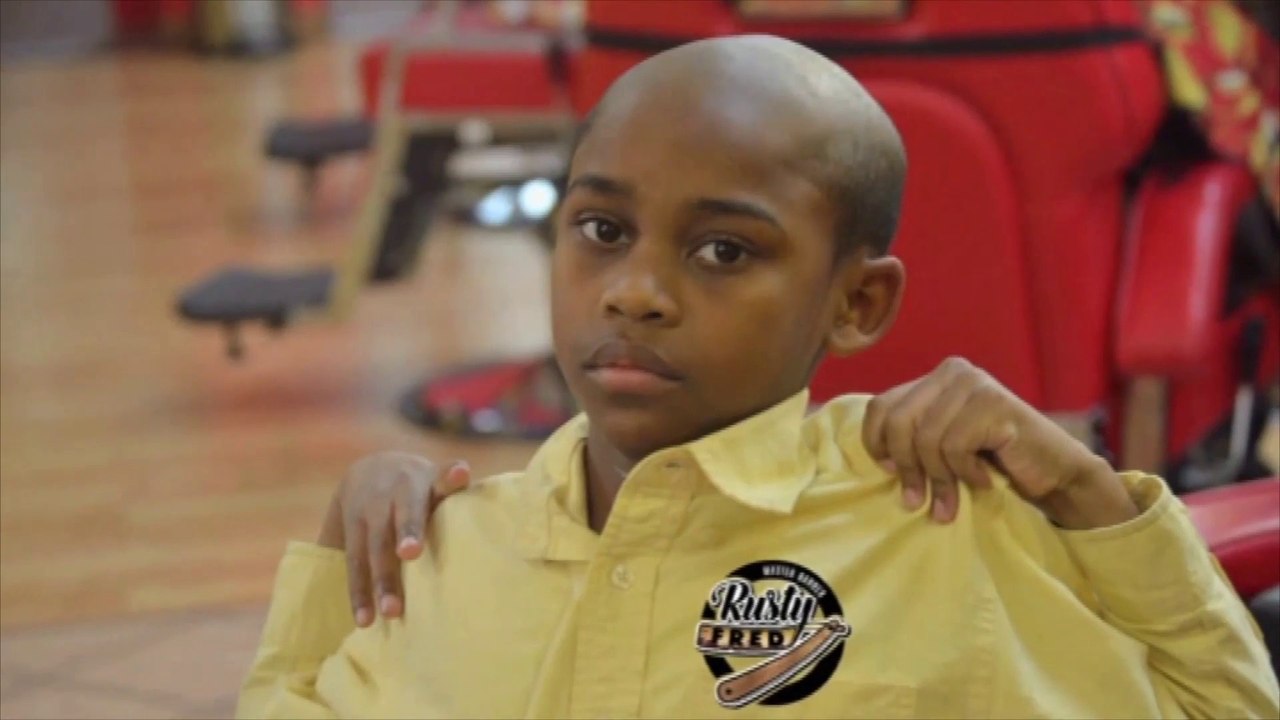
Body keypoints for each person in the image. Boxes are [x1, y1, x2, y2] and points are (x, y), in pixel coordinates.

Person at [237, 35, 1279, 719]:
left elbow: (1217, 708)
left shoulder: (933, 531)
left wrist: (1085, 493)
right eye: (599, 230)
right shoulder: (443, 553)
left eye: (723, 251)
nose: (635, 293)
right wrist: (339, 555)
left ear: (856, 302)